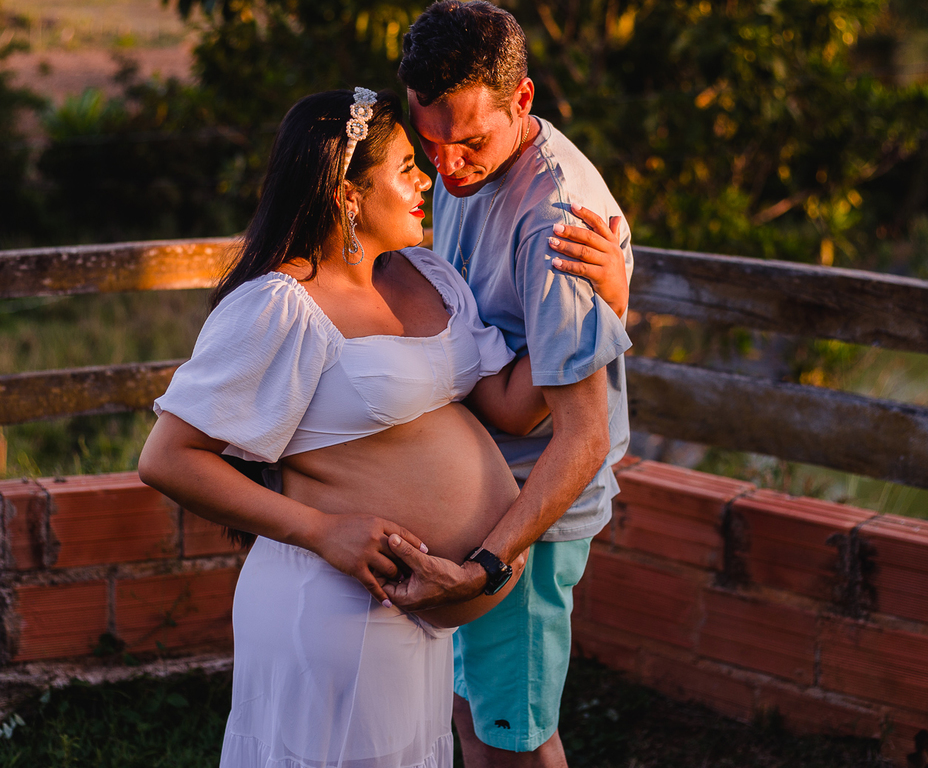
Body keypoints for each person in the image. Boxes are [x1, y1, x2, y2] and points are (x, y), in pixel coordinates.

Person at [138, 87, 626, 768]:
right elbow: (168, 458)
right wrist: (319, 530)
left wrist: (600, 303)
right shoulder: (280, 305)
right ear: (347, 194)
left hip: (416, 612)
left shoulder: (425, 276)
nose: (429, 179)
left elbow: (515, 406)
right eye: (405, 166)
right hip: (333, 598)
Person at [386, 0, 634, 768]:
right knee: (474, 717)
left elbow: (582, 434)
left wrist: (487, 563)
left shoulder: (554, 218)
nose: (447, 168)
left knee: (516, 745)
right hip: (487, 494)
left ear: (522, 99)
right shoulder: (468, 174)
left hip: (525, 522)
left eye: (468, 143)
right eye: (430, 145)